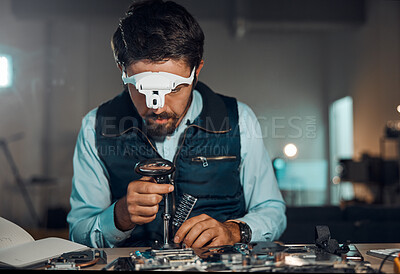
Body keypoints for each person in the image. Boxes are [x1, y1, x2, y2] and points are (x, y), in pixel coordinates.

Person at [67, 0, 286, 248]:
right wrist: (119, 217)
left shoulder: (239, 119)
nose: (157, 107)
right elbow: (78, 233)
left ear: (197, 69)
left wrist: (234, 231)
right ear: (122, 69)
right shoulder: (95, 127)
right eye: (143, 89)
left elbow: (272, 210)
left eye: (174, 89)